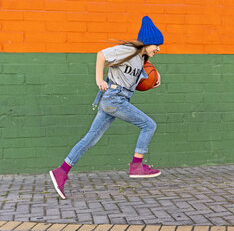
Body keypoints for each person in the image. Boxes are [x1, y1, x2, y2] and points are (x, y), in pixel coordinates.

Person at [49, 16, 163, 199]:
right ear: (148, 42)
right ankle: (136, 165)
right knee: (149, 125)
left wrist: (154, 81)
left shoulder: (141, 59)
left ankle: (61, 171)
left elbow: (136, 80)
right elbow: (101, 54)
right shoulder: (127, 50)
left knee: (90, 139)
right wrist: (99, 79)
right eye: (156, 44)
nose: (158, 49)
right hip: (114, 99)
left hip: (116, 100)